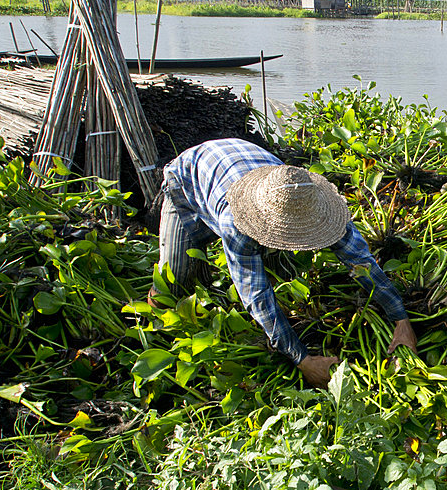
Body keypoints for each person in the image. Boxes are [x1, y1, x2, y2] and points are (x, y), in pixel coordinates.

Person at [153, 138, 417, 388]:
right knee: (177, 277)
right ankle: (152, 325)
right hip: (189, 178)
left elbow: (361, 261)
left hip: (242, 160)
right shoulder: (237, 223)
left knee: (273, 264)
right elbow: (257, 295)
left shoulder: (324, 206)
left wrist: (401, 320)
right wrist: (303, 360)